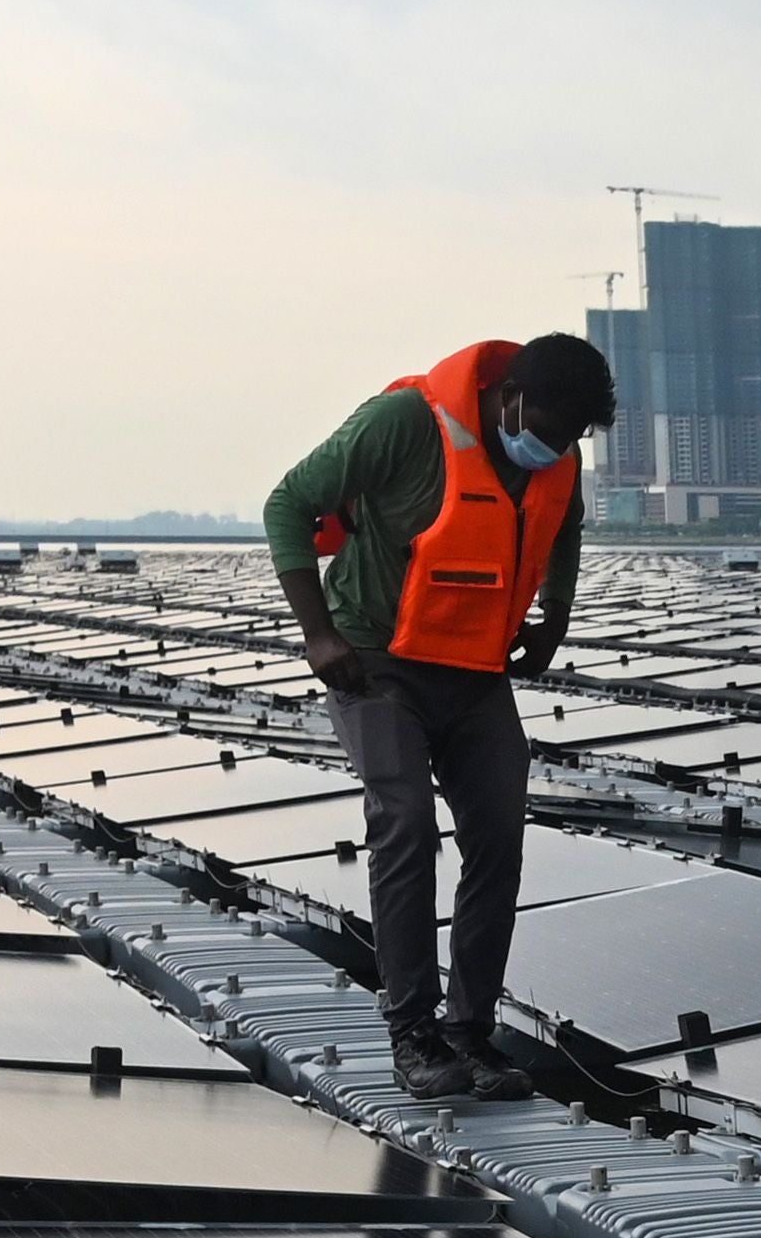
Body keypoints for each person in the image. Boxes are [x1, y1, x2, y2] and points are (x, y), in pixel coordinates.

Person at [263, 331, 619, 1099]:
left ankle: (470, 1034)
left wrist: (554, 615)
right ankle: (413, 1034)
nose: (556, 449)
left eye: (571, 440)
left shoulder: (556, 456)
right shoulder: (404, 424)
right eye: (551, 429)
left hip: (474, 670)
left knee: (498, 834)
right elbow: (288, 503)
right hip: (376, 659)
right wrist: (318, 632)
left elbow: (566, 527)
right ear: (513, 395)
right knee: (407, 824)